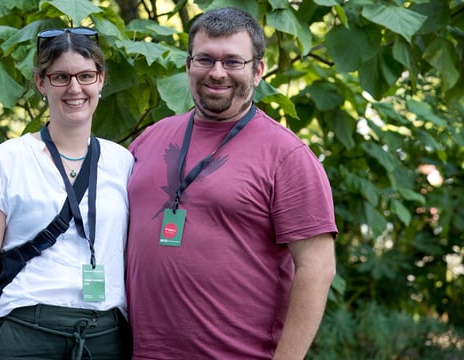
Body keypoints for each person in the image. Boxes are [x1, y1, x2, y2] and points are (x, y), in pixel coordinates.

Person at [126, 7, 337, 360]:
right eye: (205, 59)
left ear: (257, 71)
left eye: (232, 62)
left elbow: (317, 268)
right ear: (188, 65)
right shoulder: (150, 139)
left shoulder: (286, 155)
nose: (217, 73)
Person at [0, 27, 133, 360]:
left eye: (85, 75)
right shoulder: (3, 163)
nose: (74, 88)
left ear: (100, 80)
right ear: (41, 82)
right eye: (60, 77)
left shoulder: (123, 163)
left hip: (106, 338)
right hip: (27, 334)